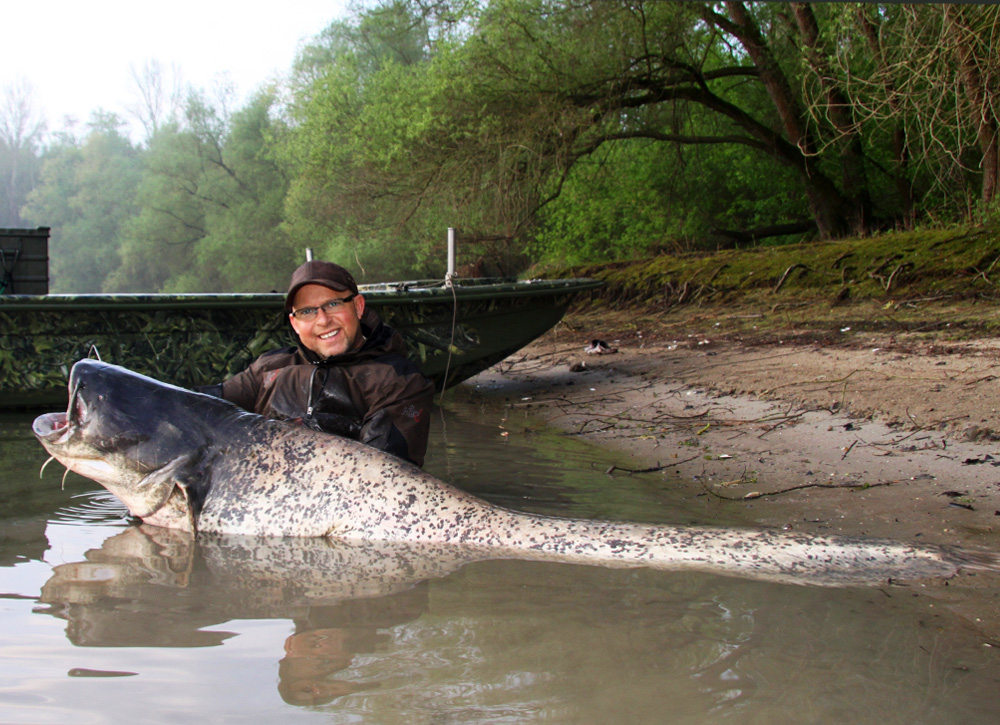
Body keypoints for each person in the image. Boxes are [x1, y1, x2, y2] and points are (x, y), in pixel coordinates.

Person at [199, 260, 435, 467]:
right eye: (307, 311)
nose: (323, 320)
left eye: (333, 304)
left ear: (358, 306)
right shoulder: (267, 368)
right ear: (294, 323)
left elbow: (382, 474)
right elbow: (198, 407)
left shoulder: (401, 382)